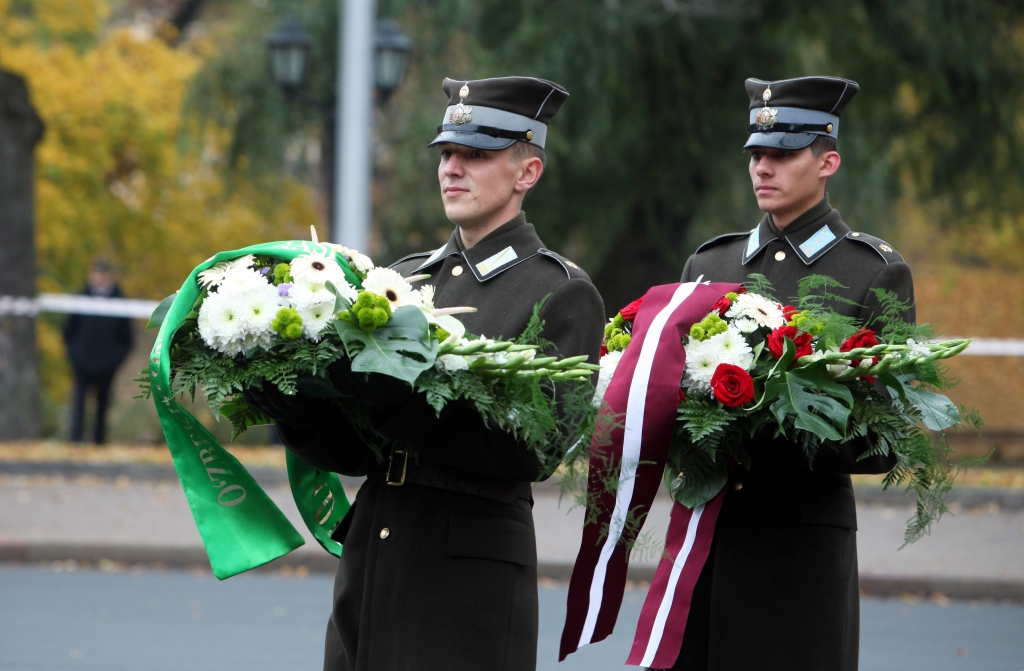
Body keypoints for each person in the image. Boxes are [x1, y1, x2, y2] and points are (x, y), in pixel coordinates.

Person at [246, 76, 605, 671]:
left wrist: (401, 401)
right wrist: (294, 404)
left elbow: (533, 449)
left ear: (527, 173)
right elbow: (361, 447)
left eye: (476, 155)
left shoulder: (559, 292)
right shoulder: (399, 280)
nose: (452, 169)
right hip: (377, 554)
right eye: (446, 154)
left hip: (465, 576)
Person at [664, 77, 915, 670]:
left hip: (798, 552)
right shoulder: (711, 262)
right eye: (756, 153)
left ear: (828, 160)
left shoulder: (872, 273)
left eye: (782, 153)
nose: (763, 167)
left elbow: (884, 439)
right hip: (708, 541)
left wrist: (762, 424)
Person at [63, 259, 134, 444]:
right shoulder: (82, 297)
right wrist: (74, 354)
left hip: (107, 364)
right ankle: (75, 440)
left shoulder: (119, 300)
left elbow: (126, 336)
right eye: (94, 273)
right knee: (78, 403)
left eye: (100, 273)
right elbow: (69, 330)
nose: (97, 277)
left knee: (103, 403)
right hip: (82, 362)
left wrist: (116, 359)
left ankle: (99, 442)